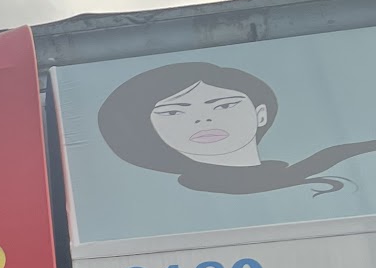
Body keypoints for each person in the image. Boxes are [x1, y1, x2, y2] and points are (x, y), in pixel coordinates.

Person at [96, 60, 376, 196]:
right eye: (174, 112)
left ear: (260, 114)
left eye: (223, 105)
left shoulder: (337, 163)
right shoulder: (171, 204)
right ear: (149, 129)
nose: (202, 119)